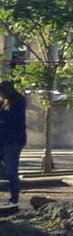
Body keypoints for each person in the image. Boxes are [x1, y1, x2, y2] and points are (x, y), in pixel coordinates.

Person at [0, 72, 26, 206]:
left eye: (2, 93)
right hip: (4, 140)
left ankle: (14, 198)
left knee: (11, 170)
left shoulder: (17, 101)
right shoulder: (5, 102)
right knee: (7, 169)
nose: (1, 95)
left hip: (13, 141)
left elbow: (13, 121)